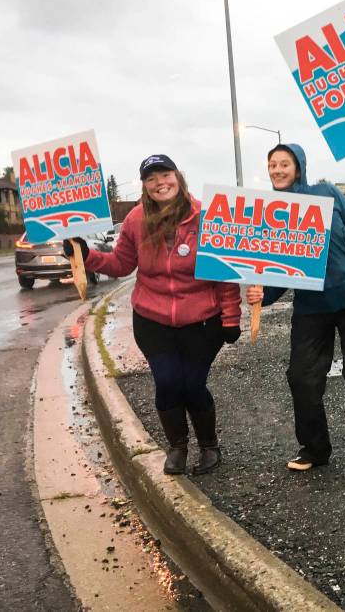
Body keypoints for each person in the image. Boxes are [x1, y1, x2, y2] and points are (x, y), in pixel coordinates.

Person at [64, 154, 242, 476]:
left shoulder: (208, 215)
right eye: (151, 178)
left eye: (165, 174)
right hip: (152, 320)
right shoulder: (135, 220)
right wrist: (87, 254)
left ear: (178, 175)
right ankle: (177, 446)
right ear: (145, 186)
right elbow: (120, 264)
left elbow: (225, 272)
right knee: (168, 381)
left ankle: (209, 446)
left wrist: (230, 318)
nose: (161, 183)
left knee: (193, 384)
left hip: (202, 319)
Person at [245, 144, 345, 472]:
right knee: (302, 376)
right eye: (272, 165)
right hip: (310, 305)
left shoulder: (326, 194)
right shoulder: (272, 212)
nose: (277, 170)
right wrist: (262, 295)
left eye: (284, 164)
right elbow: (278, 273)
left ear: (298, 166)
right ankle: (314, 449)